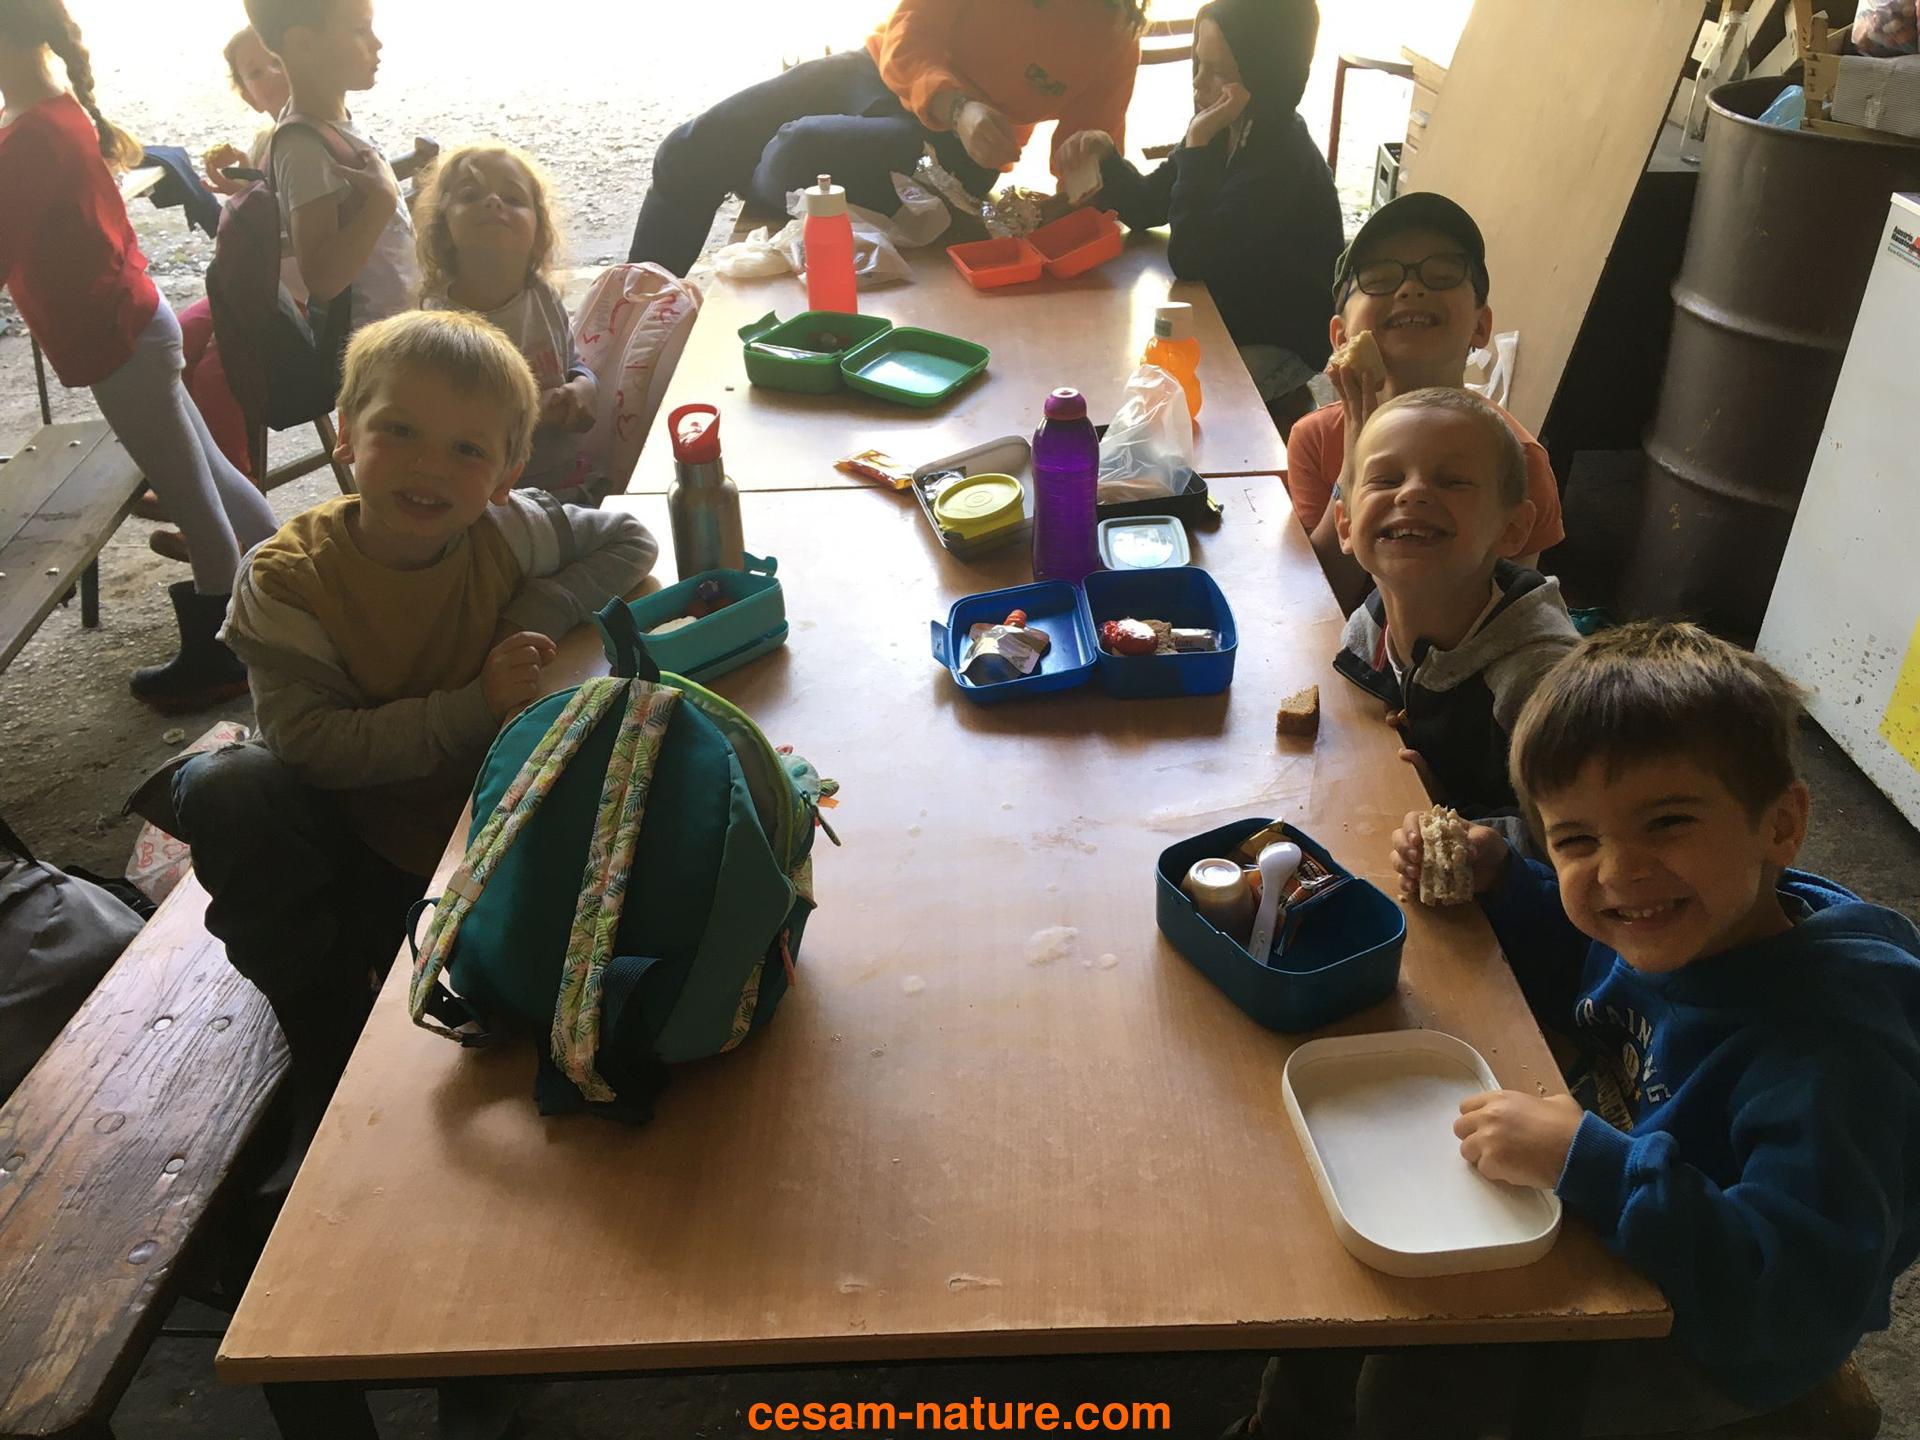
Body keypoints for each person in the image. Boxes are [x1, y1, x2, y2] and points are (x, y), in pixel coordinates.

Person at [1239, 622, 1920, 1440]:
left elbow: (1787, 1304)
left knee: (1416, 1388)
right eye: (1576, 840)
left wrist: (1593, 1164)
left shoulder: (1833, 1056)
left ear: (1780, 825)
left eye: (1667, 822)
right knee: (1339, 1304)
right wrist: (1506, 882)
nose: (1620, 872)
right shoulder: (1686, 919)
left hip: (1710, 1335)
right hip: (1616, 1194)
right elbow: (1588, 964)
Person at [139, 309, 658, 1139]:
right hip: (351, 846)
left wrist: (529, 613)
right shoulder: (285, 580)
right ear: (347, 434)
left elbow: (629, 538)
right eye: (401, 431)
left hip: (487, 832)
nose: (429, 467)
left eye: (467, 449)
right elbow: (311, 744)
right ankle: (322, 1036)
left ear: (506, 473)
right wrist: (472, 705)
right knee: (226, 785)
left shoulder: (507, 530)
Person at [0, 0, 279, 710]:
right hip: (136, 321)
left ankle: (221, 660)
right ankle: (285, 592)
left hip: (116, 340)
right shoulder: (52, 108)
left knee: (196, 505)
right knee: (213, 477)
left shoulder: (28, 135)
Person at [627, 0, 1146, 276]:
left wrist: (1084, 175)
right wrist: (958, 106)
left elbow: (1088, 168)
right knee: (685, 154)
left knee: (795, 151)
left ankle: (755, 179)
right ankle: (623, 324)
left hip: (959, 155)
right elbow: (909, 34)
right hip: (875, 73)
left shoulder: (1114, 36)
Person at [1056, 0, 1341, 434]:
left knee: (1164, 411)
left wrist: (1197, 142)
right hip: (1224, 314)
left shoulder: (1280, 159)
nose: (1198, 83)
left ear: (1267, 74)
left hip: (1278, 340)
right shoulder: (1230, 125)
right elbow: (1149, 204)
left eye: (1219, 72)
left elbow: (1191, 256)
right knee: (1124, 377)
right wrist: (1108, 158)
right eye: (1198, 63)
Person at [1288, 193, 1565, 614]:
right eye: (1380, 279)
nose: (1411, 288)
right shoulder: (1316, 438)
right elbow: (1321, 602)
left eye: (1442, 275)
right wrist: (1353, 458)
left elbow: (1509, 616)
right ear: (1340, 336)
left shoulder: (1519, 460)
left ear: (1481, 325)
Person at [1331, 387, 1577, 830]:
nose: (1412, 493)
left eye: (1453, 481)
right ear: (1346, 525)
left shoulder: (1542, 683)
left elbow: (1576, 834)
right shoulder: (1367, 629)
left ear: (1512, 529)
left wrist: (1452, 813)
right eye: (1385, 480)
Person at [416, 142, 601, 503]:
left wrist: (584, 387)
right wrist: (533, 414)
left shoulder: (542, 296)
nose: (493, 202)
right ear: (443, 229)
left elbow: (573, 363)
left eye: (513, 199)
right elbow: (449, 430)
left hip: (570, 479)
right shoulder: (440, 328)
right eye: (470, 196)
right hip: (493, 499)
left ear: (538, 230)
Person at [243, 0, 418, 331]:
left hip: (397, 323)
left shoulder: (331, 122)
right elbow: (322, 279)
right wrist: (383, 202)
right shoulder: (303, 148)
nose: (377, 43)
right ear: (303, 44)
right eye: (359, 30)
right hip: (374, 339)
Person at [202, 26, 292, 198]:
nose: (272, 73)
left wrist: (247, 195)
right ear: (251, 99)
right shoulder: (262, 147)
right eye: (256, 73)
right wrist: (247, 183)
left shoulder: (326, 136)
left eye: (278, 61)